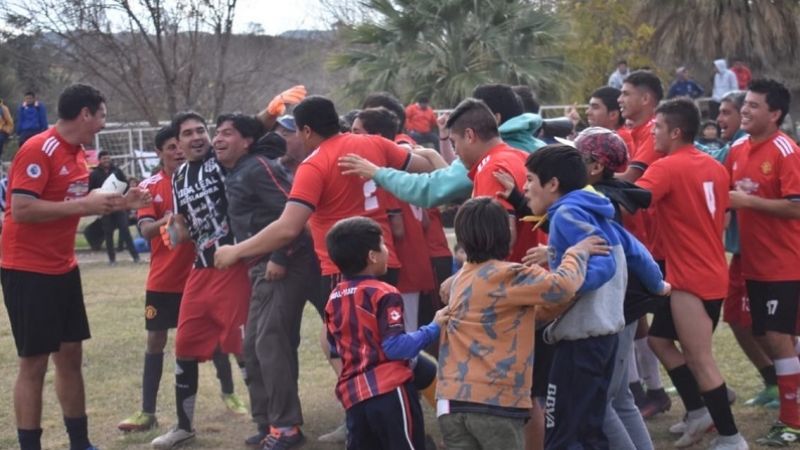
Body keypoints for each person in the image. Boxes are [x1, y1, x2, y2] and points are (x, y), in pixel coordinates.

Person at [1, 83, 151, 450]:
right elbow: (21, 209)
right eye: (102, 115)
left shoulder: (79, 153)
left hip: (63, 268)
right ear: (85, 113)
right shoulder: (38, 148)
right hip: (27, 269)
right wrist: (83, 206)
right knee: (34, 364)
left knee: (70, 357)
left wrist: (124, 203)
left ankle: (80, 443)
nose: (103, 123)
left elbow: (77, 202)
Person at [524, 145, 668, 449]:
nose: (525, 188)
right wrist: (657, 284)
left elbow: (604, 264)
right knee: (590, 429)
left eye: (530, 180)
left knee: (561, 431)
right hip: (604, 338)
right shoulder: (596, 208)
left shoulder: (565, 214)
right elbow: (636, 251)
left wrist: (562, 286)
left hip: (580, 340)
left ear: (552, 184)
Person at [438, 196, 603, 450]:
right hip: (494, 402)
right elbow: (563, 286)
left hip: (450, 401)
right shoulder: (510, 275)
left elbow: (524, 316)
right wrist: (576, 253)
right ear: (505, 235)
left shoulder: (459, 280)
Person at [117, 126, 247, 432]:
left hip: (200, 275)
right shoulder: (151, 187)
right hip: (163, 281)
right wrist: (173, 221)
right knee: (157, 340)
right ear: (160, 153)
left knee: (217, 339)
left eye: (181, 145)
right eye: (171, 146)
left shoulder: (202, 177)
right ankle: (147, 411)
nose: (178, 150)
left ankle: (230, 394)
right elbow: (147, 231)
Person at [637, 98, 747, 450]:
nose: (653, 132)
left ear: (676, 131)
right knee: (658, 340)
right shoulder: (713, 166)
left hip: (691, 278)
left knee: (700, 358)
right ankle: (699, 412)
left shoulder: (666, 167)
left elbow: (631, 200)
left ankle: (732, 437)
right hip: (709, 269)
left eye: (658, 127)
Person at [150, 112, 252, 449]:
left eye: (201, 130)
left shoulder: (221, 161)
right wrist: (169, 229)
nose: (197, 137)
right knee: (185, 346)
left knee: (243, 346)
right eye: (188, 133)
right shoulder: (178, 177)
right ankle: (183, 426)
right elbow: (181, 227)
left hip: (233, 265)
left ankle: (268, 420)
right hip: (199, 269)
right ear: (176, 144)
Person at [218, 114, 318, 449]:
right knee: (253, 346)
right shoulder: (235, 171)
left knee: (270, 341)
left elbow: (293, 215)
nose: (218, 139)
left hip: (285, 264)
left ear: (246, 141)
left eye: (227, 133)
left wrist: (281, 256)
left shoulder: (259, 167)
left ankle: (287, 428)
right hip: (258, 268)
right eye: (216, 133)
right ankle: (268, 423)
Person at [324, 216, 447, 450]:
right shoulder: (384, 293)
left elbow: (335, 348)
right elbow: (395, 347)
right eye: (383, 245)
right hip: (389, 392)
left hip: (354, 397)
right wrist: (434, 327)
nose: (387, 250)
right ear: (372, 256)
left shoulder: (333, 299)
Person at [726, 79, 800, 446]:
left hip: (784, 263)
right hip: (751, 262)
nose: (746, 110)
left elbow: (795, 205)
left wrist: (748, 203)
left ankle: (792, 421)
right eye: (746, 103)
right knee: (765, 333)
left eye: (755, 105)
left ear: (775, 114)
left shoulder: (786, 150)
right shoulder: (737, 148)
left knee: (778, 338)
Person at [617, 70, 672, 418]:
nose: (620, 99)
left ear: (646, 100)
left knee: (658, 329)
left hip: (654, 244)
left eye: (626, 93)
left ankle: (698, 396)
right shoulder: (633, 134)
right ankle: (643, 390)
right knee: (636, 320)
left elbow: (629, 182)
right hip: (642, 241)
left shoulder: (653, 134)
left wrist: (582, 179)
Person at [88, 150, 141, 265]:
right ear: (100, 160)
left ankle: (135, 257)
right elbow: (90, 190)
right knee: (108, 234)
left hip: (119, 206)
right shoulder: (94, 174)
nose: (106, 161)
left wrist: (125, 199)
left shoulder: (117, 171)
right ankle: (112, 259)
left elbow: (126, 185)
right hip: (105, 208)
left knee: (125, 231)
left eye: (108, 158)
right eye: (104, 159)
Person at [585, 86, 635, 156]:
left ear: (613, 115)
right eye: (589, 107)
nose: (587, 112)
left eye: (595, 107)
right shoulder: (604, 137)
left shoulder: (619, 139)